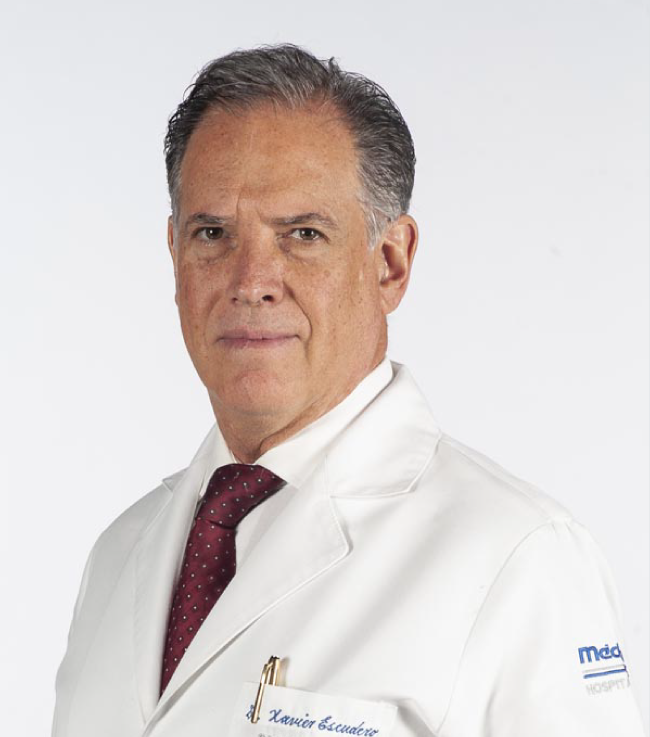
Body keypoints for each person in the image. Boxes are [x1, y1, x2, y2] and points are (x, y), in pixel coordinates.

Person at [52, 44, 645, 737]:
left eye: (303, 234)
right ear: (175, 256)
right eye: (212, 233)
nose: (251, 281)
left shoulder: (521, 556)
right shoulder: (120, 554)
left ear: (390, 264)